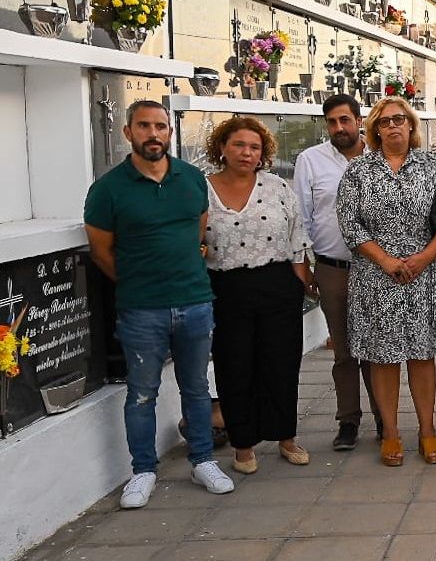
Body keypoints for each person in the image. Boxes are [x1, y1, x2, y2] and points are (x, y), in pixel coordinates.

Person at [83, 100, 234, 508]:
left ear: (170, 132)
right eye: (144, 126)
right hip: (141, 308)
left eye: (161, 127)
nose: (154, 134)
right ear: (128, 132)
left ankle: (202, 460)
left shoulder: (190, 179)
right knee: (142, 392)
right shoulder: (108, 189)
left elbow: (198, 229)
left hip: (195, 302)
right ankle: (143, 470)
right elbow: (100, 250)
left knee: (197, 389)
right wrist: (138, 281)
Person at [338, 97, 436, 466]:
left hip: (424, 275)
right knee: (384, 357)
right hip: (376, 276)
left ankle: (427, 430)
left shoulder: (432, 167)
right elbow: (349, 223)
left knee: (422, 355)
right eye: (385, 121)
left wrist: (424, 257)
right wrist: (386, 260)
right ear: (375, 129)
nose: (393, 126)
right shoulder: (358, 171)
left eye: (400, 120)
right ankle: (390, 433)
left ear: (411, 126)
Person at [203, 117, 313, 474]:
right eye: (238, 145)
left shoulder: (277, 187)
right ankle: (243, 445)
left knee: (280, 364)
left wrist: (304, 283)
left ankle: (285, 437)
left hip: (276, 284)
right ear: (222, 147)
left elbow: (296, 237)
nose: (246, 153)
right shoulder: (202, 189)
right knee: (234, 366)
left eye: (254, 147)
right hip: (226, 288)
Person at [294, 94, 379, 451]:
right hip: (333, 268)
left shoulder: (380, 158)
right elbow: (300, 215)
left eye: (345, 120)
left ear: (360, 121)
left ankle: (384, 419)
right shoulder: (311, 160)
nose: (338, 128)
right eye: (331, 122)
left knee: (378, 349)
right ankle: (348, 421)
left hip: (378, 270)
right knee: (344, 352)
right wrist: (303, 265)